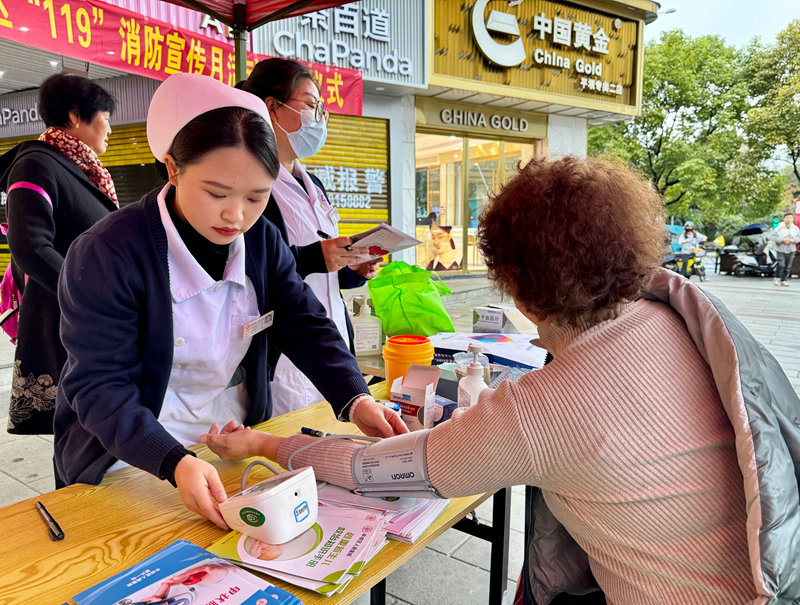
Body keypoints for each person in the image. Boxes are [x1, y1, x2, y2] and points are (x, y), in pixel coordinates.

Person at [202, 157, 800, 604]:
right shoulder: (672, 317)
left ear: (510, 277)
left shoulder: (540, 413)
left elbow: (370, 470)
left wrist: (265, 445)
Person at [53, 73, 407, 528]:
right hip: (128, 451)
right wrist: (173, 462)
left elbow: (305, 323)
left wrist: (356, 398)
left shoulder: (261, 239)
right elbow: (99, 387)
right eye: (217, 193)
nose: (235, 215)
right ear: (173, 168)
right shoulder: (108, 252)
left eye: (256, 197)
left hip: (227, 439)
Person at [240, 58, 380, 415]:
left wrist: (352, 267)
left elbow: (324, 269)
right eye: (310, 104)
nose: (320, 116)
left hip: (331, 341)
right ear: (272, 107)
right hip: (285, 357)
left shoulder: (312, 183)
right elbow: (252, 269)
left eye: (322, 106)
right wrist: (315, 257)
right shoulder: (253, 185)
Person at [0, 73, 118, 435]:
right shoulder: (37, 163)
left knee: (99, 425)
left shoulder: (76, 167)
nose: (110, 128)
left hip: (89, 319)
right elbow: (30, 247)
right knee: (79, 431)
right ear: (75, 116)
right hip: (65, 322)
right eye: (105, 116)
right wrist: (86, 293)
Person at [770, 212, 800, 286]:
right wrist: (782, 240)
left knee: (788, 266)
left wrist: (793, 241)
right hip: (780, 249)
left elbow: (798, 238)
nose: (788, 219)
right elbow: (772, 237)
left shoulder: (795, 229)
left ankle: (784, 280)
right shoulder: (778, 228)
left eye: (790, 218)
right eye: (787, 218)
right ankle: (776, 278)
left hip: (790, 249)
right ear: (784, 219)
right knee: (781, 264)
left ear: (792, 219)